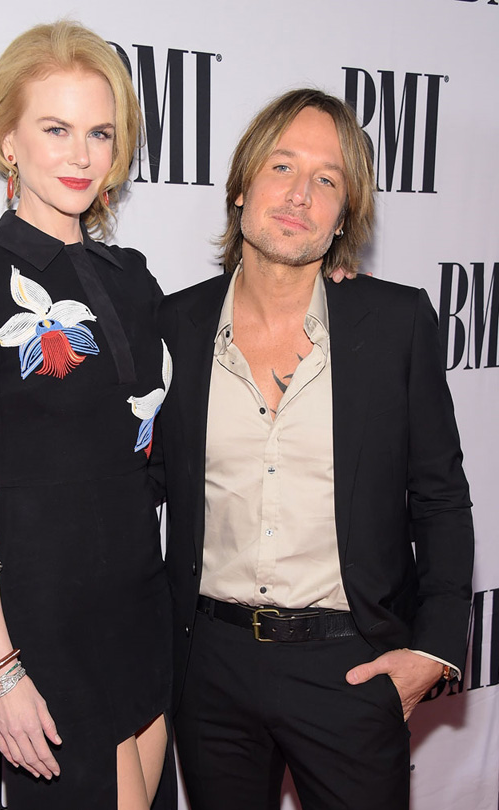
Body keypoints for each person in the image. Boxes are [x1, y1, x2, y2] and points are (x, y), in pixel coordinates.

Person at [156, 89, 474, 810]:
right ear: (241, 187)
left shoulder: (395, 323)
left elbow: (441, 497)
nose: (300, 194)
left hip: (350, 667)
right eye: (282, 167)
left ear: (343, 216)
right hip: (210, 667)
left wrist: (434, 648)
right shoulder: (173, 325)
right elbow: (136, 488)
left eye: (327, 179)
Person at [0, 21, 174, 810]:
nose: (82, 155)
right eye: (56, 129)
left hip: (143, 611)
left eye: (100, 132)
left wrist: (319, 283)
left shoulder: (134, 279)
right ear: (9, 141)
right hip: (47, 631)